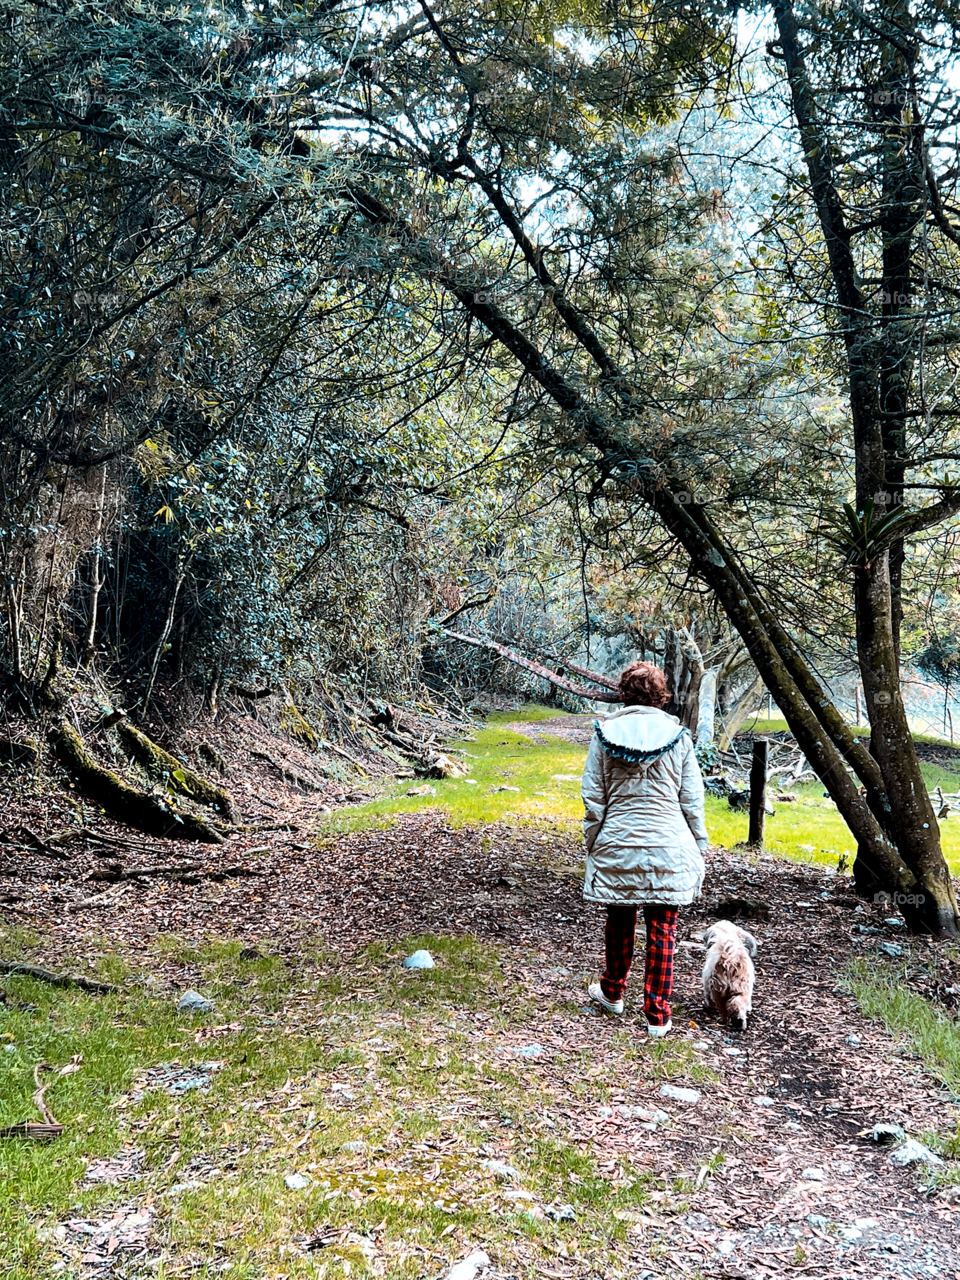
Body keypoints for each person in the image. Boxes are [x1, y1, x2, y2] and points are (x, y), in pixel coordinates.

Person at [581, 660, 709, 1037]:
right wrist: (699, 845)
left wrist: (595, 843)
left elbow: (594, 799)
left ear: (624, 692)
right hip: (669, 847)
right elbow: (692, 801)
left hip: (620, 843)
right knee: (663, 930)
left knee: (620, 921)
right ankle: (657, 1014)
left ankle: (613, 992)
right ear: (660, 694)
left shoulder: (605, 734)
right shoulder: (679, 737)